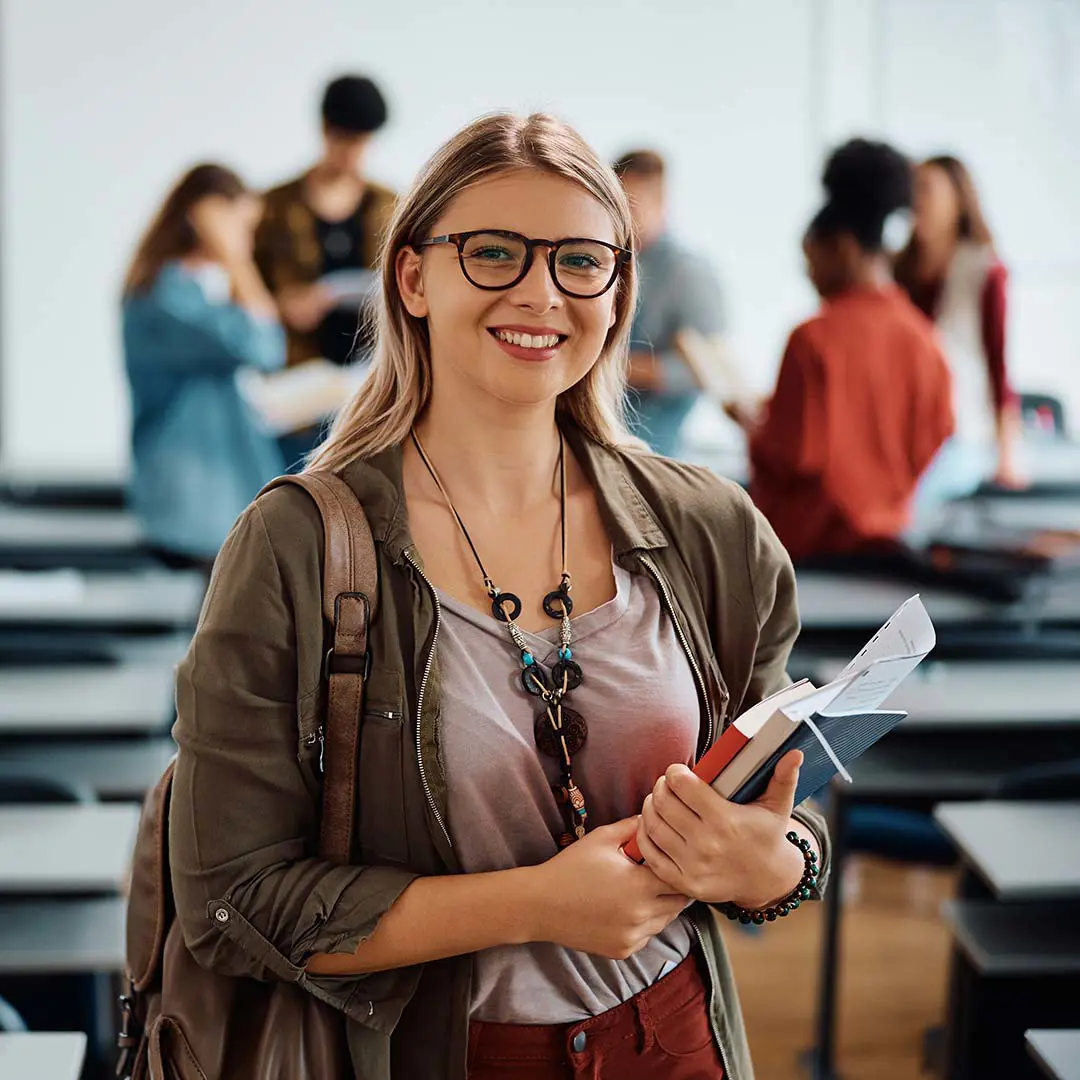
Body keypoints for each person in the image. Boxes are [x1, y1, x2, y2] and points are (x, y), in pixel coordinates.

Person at [170, 113, 831, 1080]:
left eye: (579, 261)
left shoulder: (711, 533)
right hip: (447, 1055)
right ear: (412, 277)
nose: (540, 293)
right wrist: (536, 903)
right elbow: (229, 899)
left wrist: (771, 867)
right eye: (492, 253)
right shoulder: (295, 545)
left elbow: (780, 813)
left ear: (617, 289)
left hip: (676, 1040)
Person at [727, 139, 954, 564]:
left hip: (812, 558)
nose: (810, 277)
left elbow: (792, 457)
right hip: (892, 555)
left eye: (811, 262)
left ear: (843, 248)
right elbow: (935, 433)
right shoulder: (925, 339)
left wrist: (750, 424)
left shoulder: (813, 339)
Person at [122, 163, 286, 574]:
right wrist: (237, 261)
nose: (247, 241)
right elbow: (265, 345)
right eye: (241, 227)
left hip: (210, 493)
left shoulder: (188, 289)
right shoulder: (168, 298)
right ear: (206, 216)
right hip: (194, 500)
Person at [255, 74, 396, 467]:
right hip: (295, 389)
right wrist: (282, 305)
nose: (352, 153)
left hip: (368, 387)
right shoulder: (273, 207)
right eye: (344, 139)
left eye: (361, 142)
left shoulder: (390, 205)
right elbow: (243, 290)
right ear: (324, 131)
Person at [894, 154, 1021, 504]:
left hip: (959, 434)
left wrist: (1006, 456)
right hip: (901, 435)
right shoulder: (894, 272)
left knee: (909, 508)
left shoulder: (984, 271)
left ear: (957, 200)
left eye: (925, 190)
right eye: (911, 190)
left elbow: (998, 365)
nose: (915, 201)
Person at [613, 150, 728, 457]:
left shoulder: (689, 273)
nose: (623, 215)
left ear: (661, 201)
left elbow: (706, 370)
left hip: (658, 451)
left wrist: (615, 367)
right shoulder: (606, 263)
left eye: (633, 204)